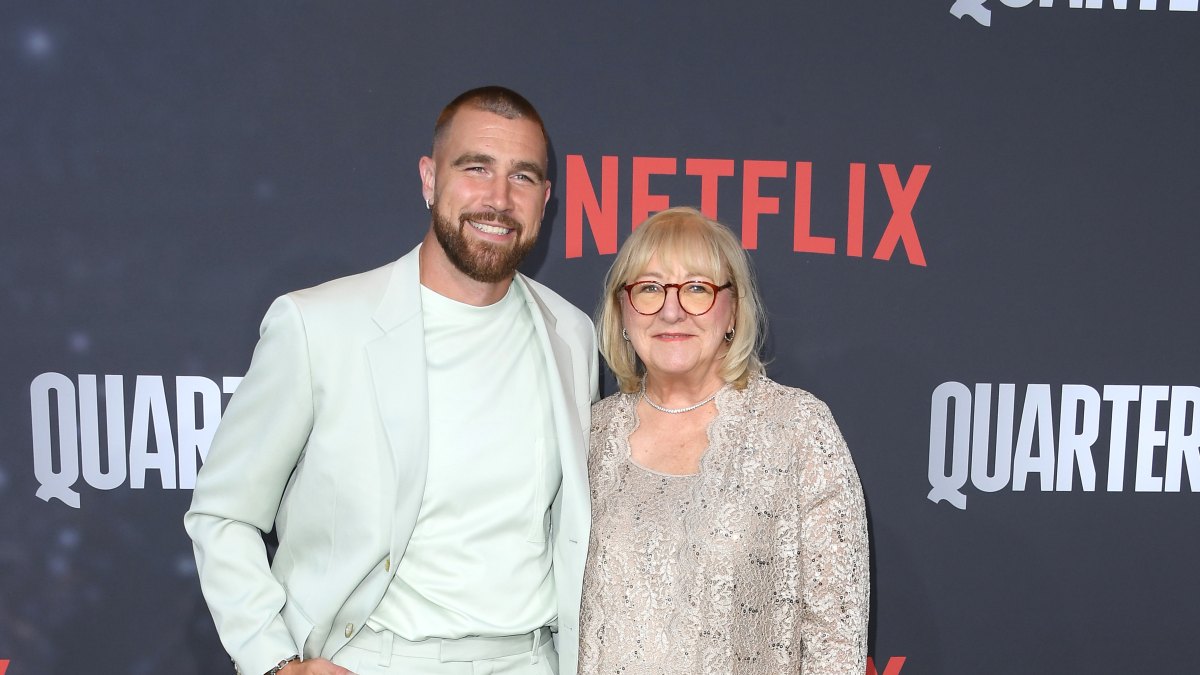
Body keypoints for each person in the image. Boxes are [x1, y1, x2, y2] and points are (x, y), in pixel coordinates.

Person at [185, 86, 597, 675]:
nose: (499, 198)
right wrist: (274, 661)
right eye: (475, 168)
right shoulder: (318, 326)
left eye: (523, 177)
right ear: (430, 180)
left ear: (546, 198)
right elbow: (222, 514)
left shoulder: (572, 334)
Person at [579, 206, 869, 674]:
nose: (671, 310)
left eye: (697, 288)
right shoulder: (588, 436)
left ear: (733, 309)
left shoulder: (798, 429)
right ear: (622, 310)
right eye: (650, 288)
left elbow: (835, 640)